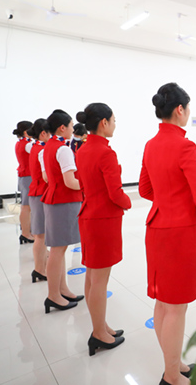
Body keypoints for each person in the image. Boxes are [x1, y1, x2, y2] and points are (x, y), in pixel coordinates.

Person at [140, 83, 196, 385]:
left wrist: (166, 201)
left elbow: (145, 189)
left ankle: (174, 363)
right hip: (180, 233)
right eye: (188, 107)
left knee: (162, 302)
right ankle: (171, 376)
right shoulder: (185, 146)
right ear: (179, 110)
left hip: (156, 228)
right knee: (177, 307)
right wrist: (191, 207)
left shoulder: (150, 145)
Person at [75, 103, 131, 356]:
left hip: (89, 215)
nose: (115, 125)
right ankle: (98, 333)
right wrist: (128, 202)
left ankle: (101, 325)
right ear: (103, 123)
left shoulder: (83, 149)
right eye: (113, 120)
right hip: (103, 219)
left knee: (92, 276)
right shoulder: (105, 153)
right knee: (99, 280)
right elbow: (115, 192)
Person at [41, 109, 85, 313]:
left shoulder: (49, 146)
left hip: (54, 199)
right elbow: (70, 182)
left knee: (59, 249)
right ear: (62, 127)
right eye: (71, 125)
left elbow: (49, 177)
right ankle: (53, 295)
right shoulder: (63, 149)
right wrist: (88, 185)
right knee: (58, 251)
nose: (73, 129)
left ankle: (62, 289)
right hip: (63, 201)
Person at [27, 118, 50, 283]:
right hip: (40, 193)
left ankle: (40, 267)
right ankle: (39, 269)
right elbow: (46, 176)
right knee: (41, 235)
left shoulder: (35, 147)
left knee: (40, 234)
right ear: (43, 133)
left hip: (37, 192)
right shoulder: (42, 150)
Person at [13, 120, 35, 245]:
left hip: (24, 176)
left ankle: (27, 231)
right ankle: (26, 233)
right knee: (26, 207)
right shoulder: (28, 145)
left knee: (26, 206)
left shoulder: (20, 143)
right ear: (26, 132)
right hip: (28, 176)